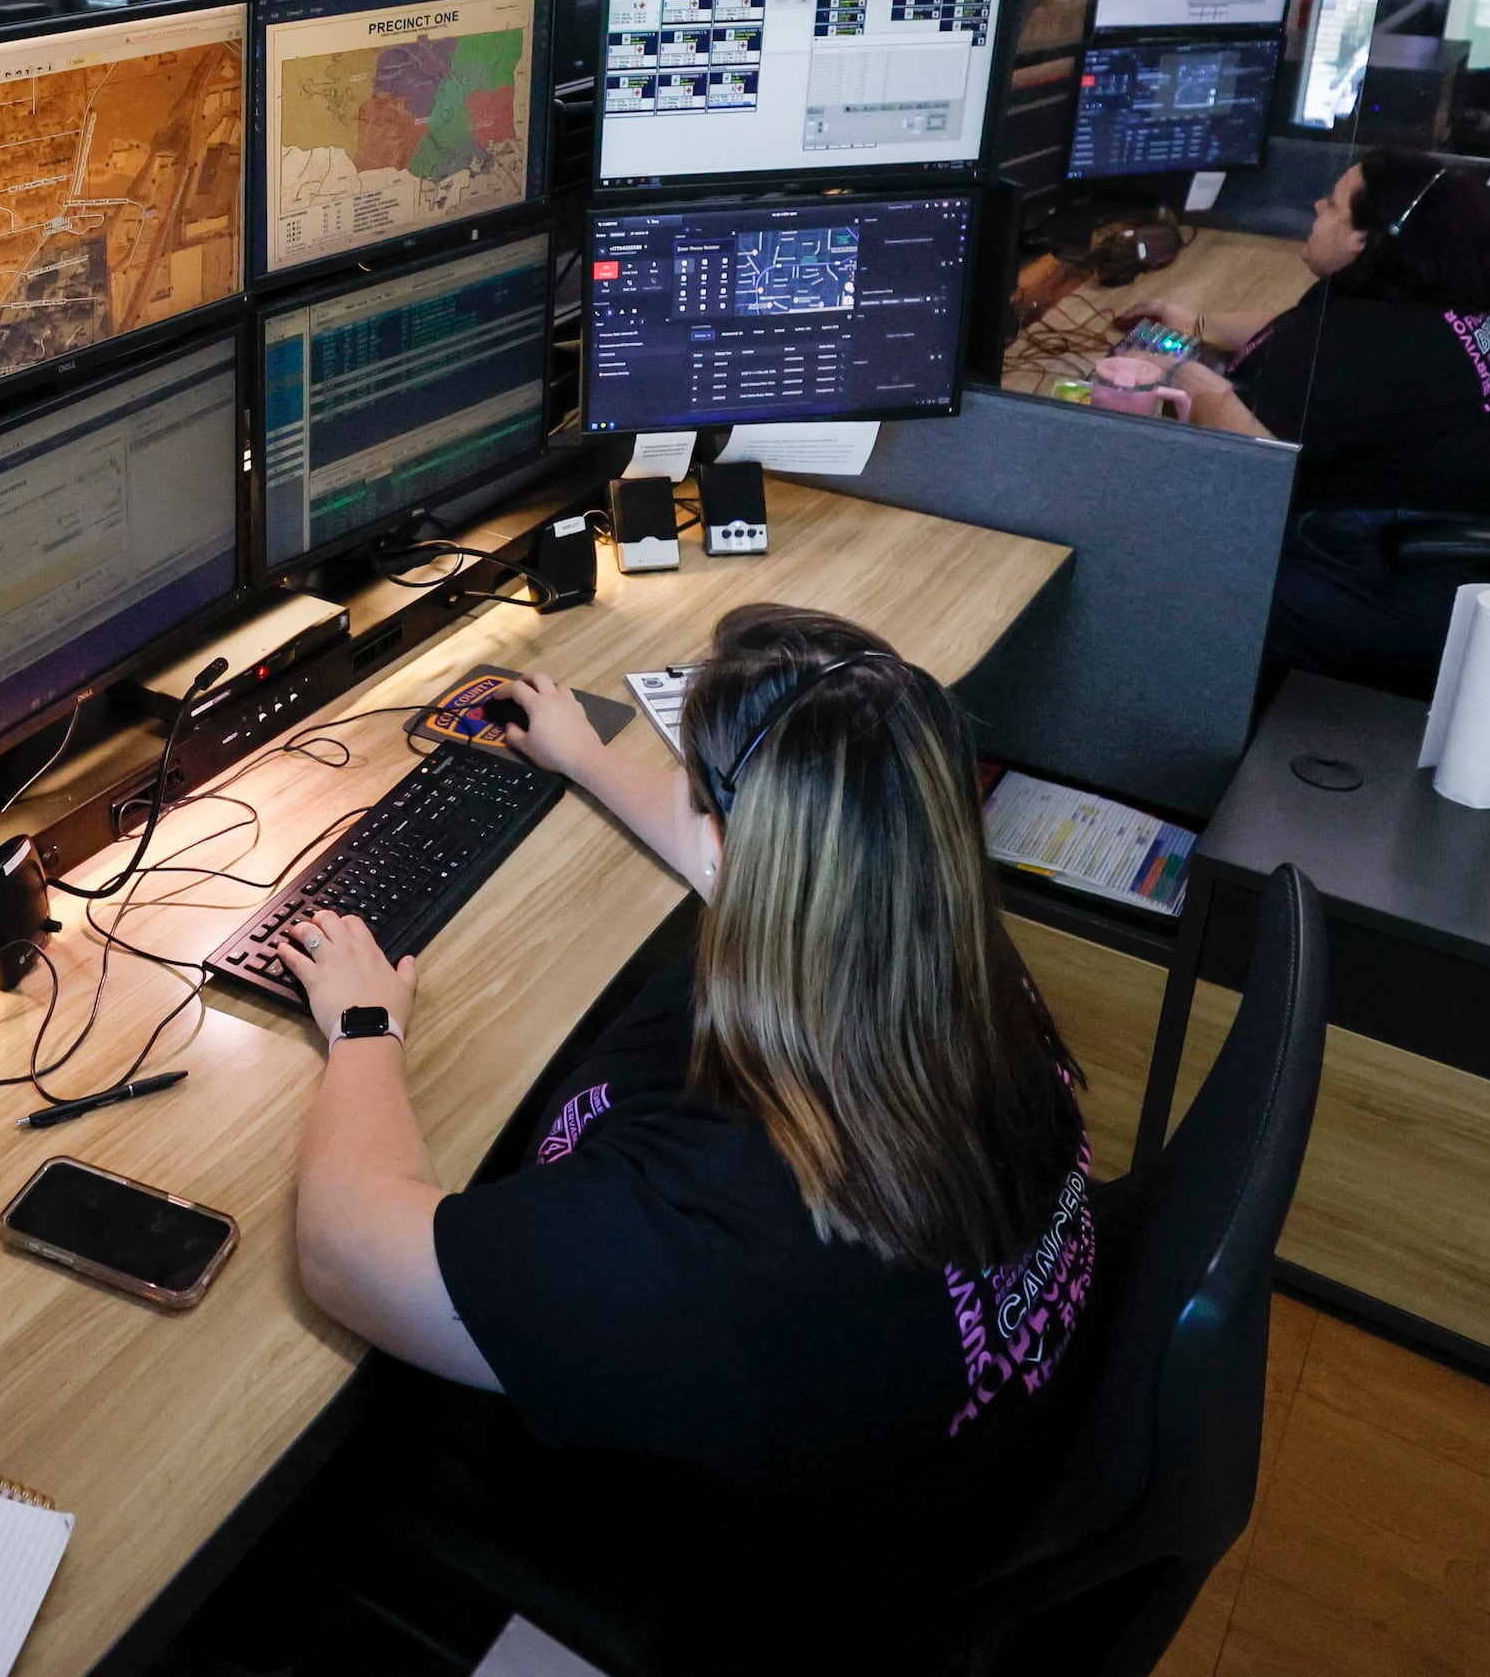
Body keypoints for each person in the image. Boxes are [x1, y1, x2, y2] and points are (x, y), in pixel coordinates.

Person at [272, 605, 1097, 1649]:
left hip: (702, 1575)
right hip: (904, 1499)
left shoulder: (716, 1227)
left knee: (289, 1454)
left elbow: (342, 1245)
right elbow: (759, 858)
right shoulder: (951, 968)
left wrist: (361, 1026)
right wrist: (587, 756)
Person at [1125, 148, 1490, 675]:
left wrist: (1174, 373)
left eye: (1334, 205)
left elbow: (1257, 469)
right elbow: (1296, 329)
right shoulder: (1429, 300)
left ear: (1364, 239)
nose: (1317, 205)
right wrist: (1199, 324)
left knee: (1160, 579)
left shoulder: (1369, 347)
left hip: (1403, 578)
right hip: (1466, 534)